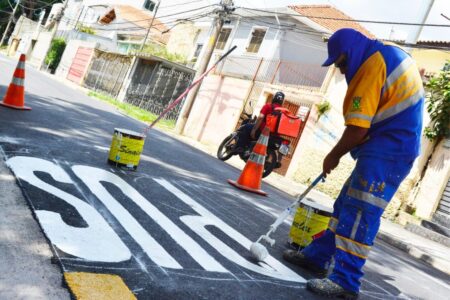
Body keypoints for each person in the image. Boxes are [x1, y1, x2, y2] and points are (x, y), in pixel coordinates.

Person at [283, 28, 424, 299]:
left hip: (388, 150)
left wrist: (332, 155)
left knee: (359, 213)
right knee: (345, 204)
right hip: (388, 145)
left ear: (349, 53)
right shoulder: (384, 54)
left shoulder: (371, 66)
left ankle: (346, 281)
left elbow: (357, 129)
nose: (341, 70)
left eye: (341, 64)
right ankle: (318, 256)